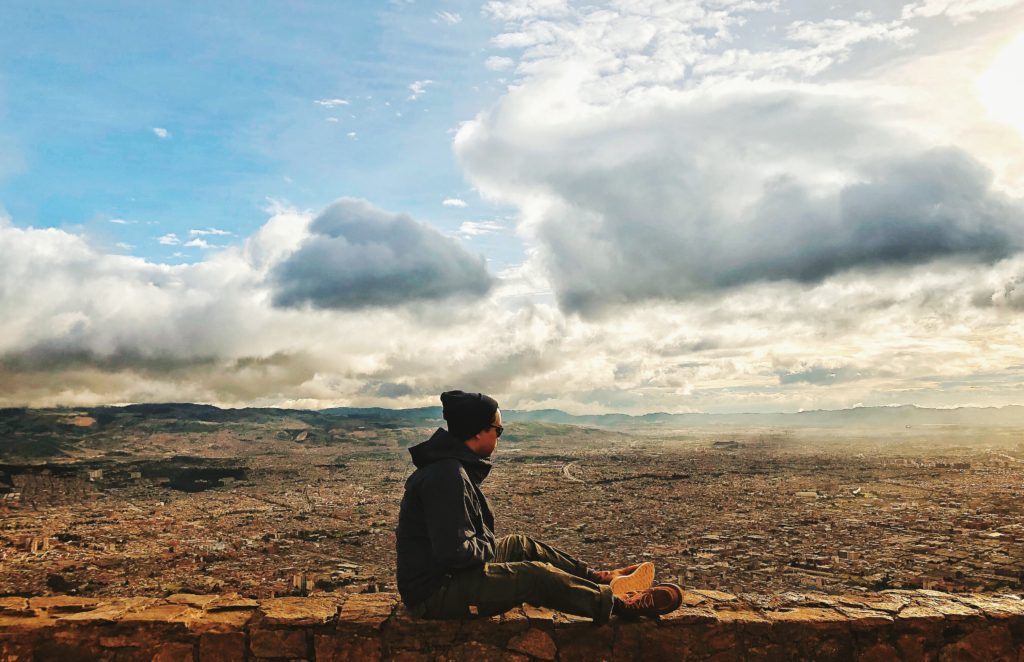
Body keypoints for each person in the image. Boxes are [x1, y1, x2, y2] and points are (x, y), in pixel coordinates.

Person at [396, 390, 683, 623]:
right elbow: (454, 553)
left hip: (447, 577)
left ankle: (597, 579)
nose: (499, 437)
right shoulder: (446, 475)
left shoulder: (450, 468)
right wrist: (487, 543)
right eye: (498, 430)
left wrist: (486, 544)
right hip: (436, 593)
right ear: (478, 432)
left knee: (520, 545)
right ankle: (619, 605)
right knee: (532, 576)